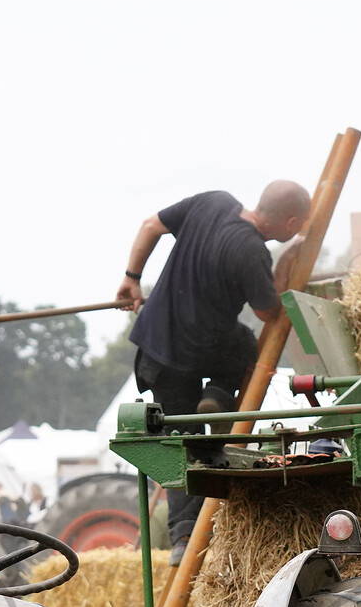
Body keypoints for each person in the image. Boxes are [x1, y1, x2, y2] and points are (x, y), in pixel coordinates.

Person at [116, 181, 313, 561]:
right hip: (202, 351)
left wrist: (132, 277)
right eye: (300, 226)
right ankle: (218, 395)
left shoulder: (213, 201)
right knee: (243, 346)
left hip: (157, 350)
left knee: (183, 444)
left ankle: (182, 540)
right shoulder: (252, 251)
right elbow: (266, 312)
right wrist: (289, 274)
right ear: (289, 221)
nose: (299, 231)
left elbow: (149, 227)